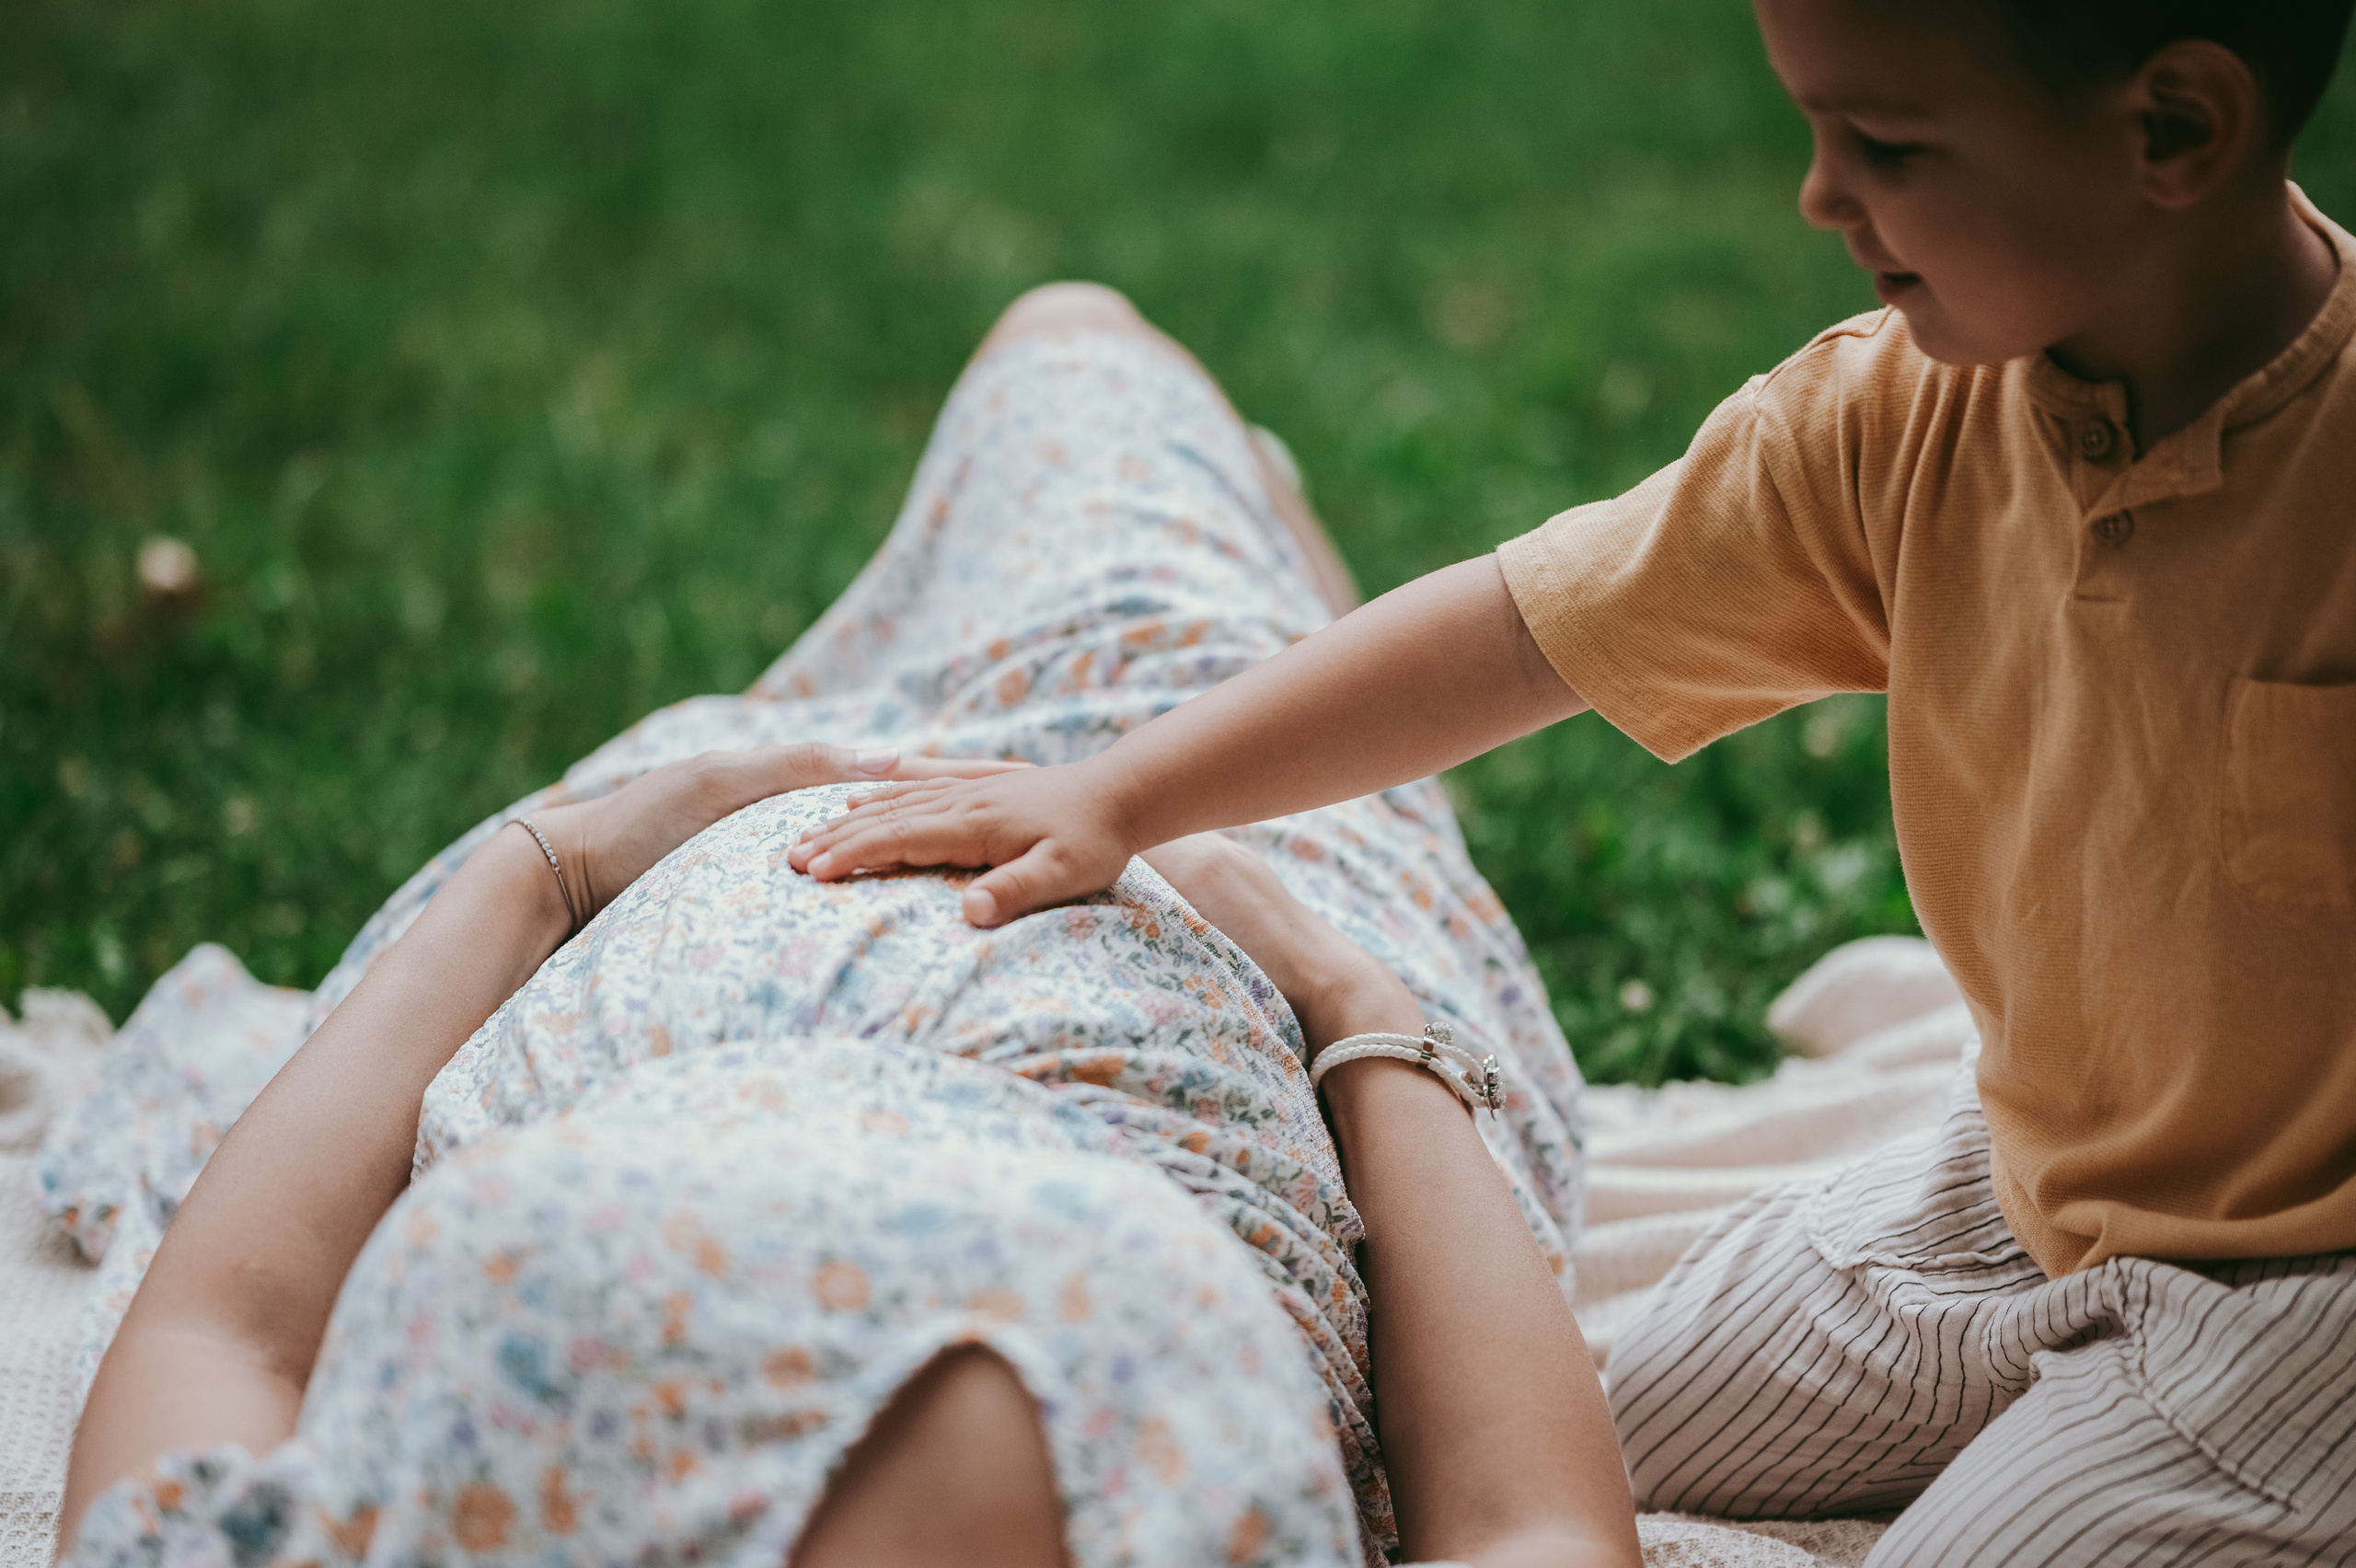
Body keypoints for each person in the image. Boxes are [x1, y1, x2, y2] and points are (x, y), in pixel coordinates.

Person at [788, 2, 2356, 1560]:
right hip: (2035, 1180)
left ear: (2173, 132)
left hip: (2304, 1288)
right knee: (1641, 1420)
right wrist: (1117, 796)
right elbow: (1519, 631)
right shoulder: (1897, 419)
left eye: (1886, 146)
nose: (1818, 193)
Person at [50, 288, 1644, 1568]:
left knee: (1074, 356)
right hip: (1237, 859)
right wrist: (1350, 999)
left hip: (701, 844)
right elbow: (1532, 1528)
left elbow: (225, 1339)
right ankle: (1254, 530)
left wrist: (554, 870)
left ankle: (1207, 535)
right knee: (1076, 344)